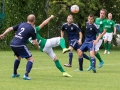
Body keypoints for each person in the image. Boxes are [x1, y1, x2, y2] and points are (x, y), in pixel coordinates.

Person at [0, 14, 40, 80]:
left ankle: (15, 74)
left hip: (12, 44)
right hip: (20, 44)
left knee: (18, 57)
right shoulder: (32, 29)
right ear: (34, 20)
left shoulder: (21, 24)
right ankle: (26, 75)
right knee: (31, 59)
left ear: (27, 19)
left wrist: (3, 34)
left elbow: (10, 28)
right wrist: (38, 47)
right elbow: (35, 42)